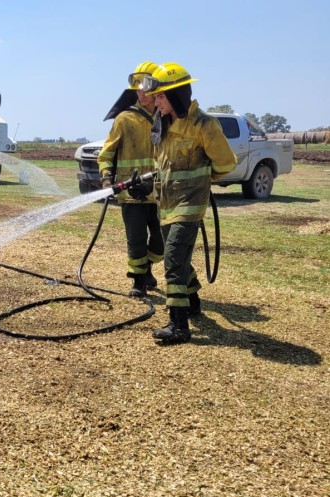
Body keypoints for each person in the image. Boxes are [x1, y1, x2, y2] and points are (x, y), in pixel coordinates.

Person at [140, 63, 236, 344]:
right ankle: (192, 302)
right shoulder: (164, 123)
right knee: (179, 257)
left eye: (160, 97)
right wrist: (149, 184)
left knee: (172, 260)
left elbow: (226, 163)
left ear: (177, 95)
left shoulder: (203, 125)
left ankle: (178, 324)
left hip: (189, 205)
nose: (155, 102)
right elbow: (164, 165)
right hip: (166, 203)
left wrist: (202, 179)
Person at [97, 61, 163, 298]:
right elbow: (107, 153)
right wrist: (106, 179)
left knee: (161, 240)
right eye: (137, 88)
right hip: (131, 193)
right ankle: (138, 281)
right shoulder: (125, 118)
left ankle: (147, 269)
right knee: (136, 239)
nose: (141, 93)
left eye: (146, 88)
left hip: (160, 193)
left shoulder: (167, 117)